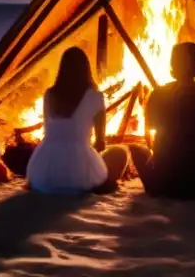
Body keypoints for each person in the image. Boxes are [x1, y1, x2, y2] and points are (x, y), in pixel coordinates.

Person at [129, 42, 195, 198]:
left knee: (138, 150)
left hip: (165, 182)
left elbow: (150, 126)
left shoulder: (158, 94)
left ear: (173, 64)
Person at [26, 47, 129, 194]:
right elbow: (100, 142)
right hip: (78, 174)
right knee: (121, 152)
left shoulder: (49, 94)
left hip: (45, 170)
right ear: (86, 68)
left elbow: (47, 130)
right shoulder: (95, 96)